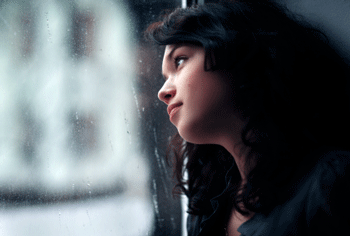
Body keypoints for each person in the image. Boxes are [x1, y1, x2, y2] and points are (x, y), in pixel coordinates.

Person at [145, 1, 350, 235]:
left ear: (236, 52)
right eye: (165, 76)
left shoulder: (330, 181)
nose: (162, 92)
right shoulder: (208, 204)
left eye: (179, 61)